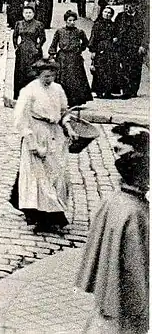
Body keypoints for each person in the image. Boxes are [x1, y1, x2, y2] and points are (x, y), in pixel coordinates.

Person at [76, 124, 149, 334]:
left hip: (107, 292)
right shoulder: (135, 212)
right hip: (126, 305)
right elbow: (136, 268)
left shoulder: (112, 201)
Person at [9, 59, 71, 232]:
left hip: (55, 135)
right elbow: (20, 119)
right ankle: (42, 217)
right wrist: (31, 143)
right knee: (38, 178)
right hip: (37, 133)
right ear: (38, 75)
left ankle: (54, 212)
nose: (49, 79)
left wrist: (68, 127)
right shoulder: (29, 91)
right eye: (46, 76)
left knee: (57, 175)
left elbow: (64, 111)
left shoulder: (58, 89)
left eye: (52, 76)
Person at [49, 10, 92, 107]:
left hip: (75, 58)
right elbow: (53, 44)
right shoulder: (60, 31)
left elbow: (86, 43)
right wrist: (52, 55)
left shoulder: (79, 32)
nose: (72, 22)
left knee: (75, 79)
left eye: (74, 20)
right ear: (66, 21)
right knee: (62, 79)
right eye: (70, 20)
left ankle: (75, 101)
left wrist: (80, 49)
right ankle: (62, 101)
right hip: (63, 58)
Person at [13, 4, 46, 100]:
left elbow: (43, 38)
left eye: (30, 13)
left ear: (33, 14)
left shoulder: (38, 24)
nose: (28, 15)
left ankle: (34, 96)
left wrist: (38, 47)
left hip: (34, 51)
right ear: (23, 14)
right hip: (22, 51)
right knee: (20, 73)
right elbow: (15, 36)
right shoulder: (19, 24)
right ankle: (19, 96)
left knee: (33, 72)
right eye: (26, 13)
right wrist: (16, 46)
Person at [115, 2, 147, 100]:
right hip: (123, 46)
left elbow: (147, 32)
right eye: (127, 6)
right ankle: (126, 91)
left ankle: (134, 90)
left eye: (131, 6)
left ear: (136, 7)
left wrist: (143, 45)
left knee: (136, 68)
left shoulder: (141, 18)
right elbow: (115, 29)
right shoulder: (120, 16)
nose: (128, 8)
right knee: (124, 68)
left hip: (136, 47)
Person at [89, 6, 120, 99]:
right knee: (100, 70)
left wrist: (116, 39)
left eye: (109, 13)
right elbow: (93, 37)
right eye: (105, 12)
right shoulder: (97, 24)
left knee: (110, 70)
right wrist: (93, 50)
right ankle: (99, 91)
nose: (107, 14)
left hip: (110, 49)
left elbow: (117, 36)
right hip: (100, 48)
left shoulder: (114, 25)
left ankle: (108, 92)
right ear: (102, 13)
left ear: (112, 15)